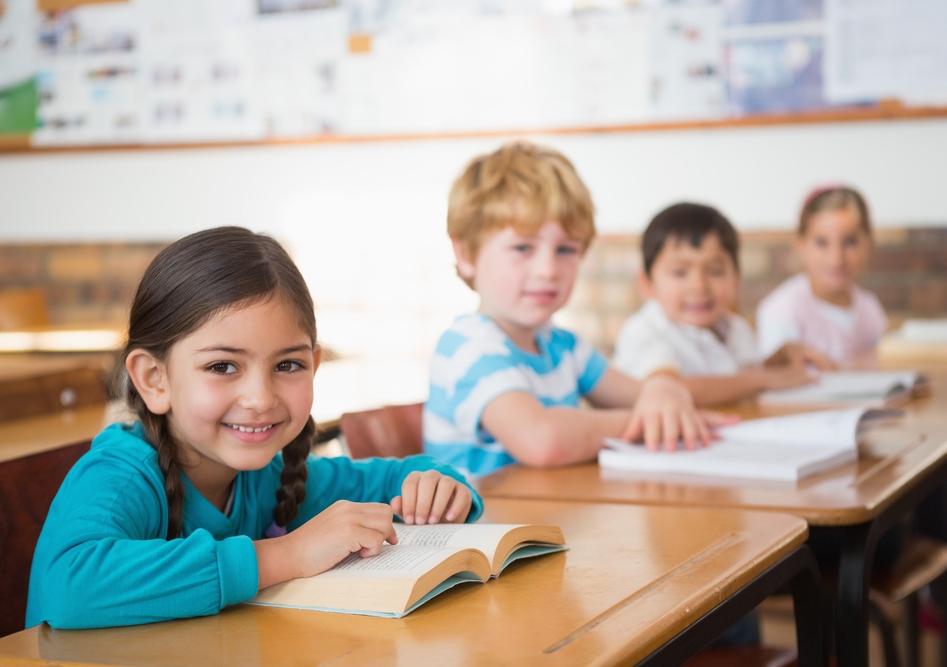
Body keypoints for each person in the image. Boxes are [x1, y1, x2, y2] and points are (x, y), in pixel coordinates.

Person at [27, 226, 482, 630]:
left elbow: (388, 481)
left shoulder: (273, 474)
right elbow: (70, 584)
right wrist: (288, 555)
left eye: (288, 364)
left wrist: (440, 486)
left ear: (315, 365)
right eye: (223, 366)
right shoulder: (122, 476)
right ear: (154, 379)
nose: (261, 398)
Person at [423, 142, 726, 479]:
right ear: (466, 253)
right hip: (488, 528)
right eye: (523, 247)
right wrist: (653, 420)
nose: (548, 269)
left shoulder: (563, 346)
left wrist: (663, 390)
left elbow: (640, 394)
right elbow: (542, 440)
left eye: (566, 249)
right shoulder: (466, 346)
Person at [613, 202, 833, 407]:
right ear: (646, 284)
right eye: (680, 273)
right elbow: (672, 391)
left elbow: (739, 379)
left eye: (715, 271)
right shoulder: (644, 330)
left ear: (736, 280)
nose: (699, 286)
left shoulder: (736, 328)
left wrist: (778, 359)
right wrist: (762, 379)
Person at [756, 186, 887, 366]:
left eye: (849, 241)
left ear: (868, 244)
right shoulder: (781, 311)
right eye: (821, 242)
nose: (836, 257)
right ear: (800, 245)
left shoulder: (870, 309)